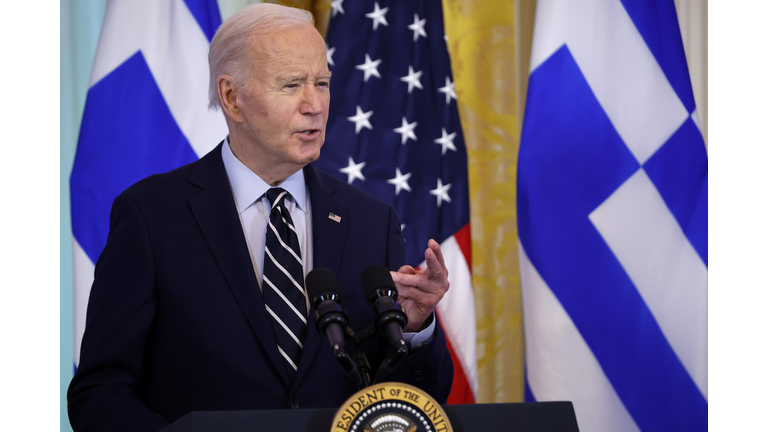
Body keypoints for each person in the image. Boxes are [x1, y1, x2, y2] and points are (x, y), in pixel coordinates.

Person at [67, 4, 453, 431]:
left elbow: (408, 404)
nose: (314, 105)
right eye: (291, 85)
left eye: (321, 83)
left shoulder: (371, 221)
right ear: (232, 97)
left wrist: (416, 329)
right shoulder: (151, 216)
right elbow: (101, 393)